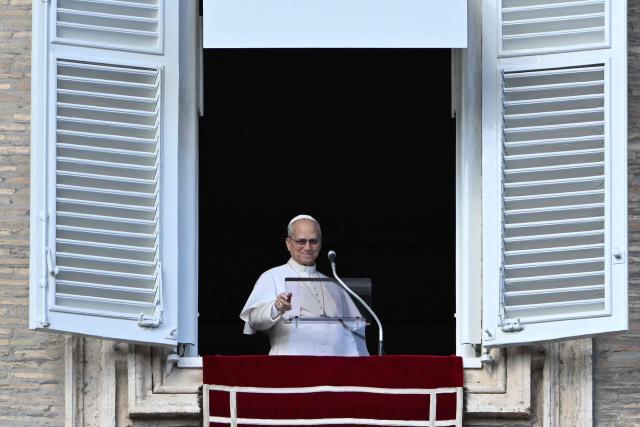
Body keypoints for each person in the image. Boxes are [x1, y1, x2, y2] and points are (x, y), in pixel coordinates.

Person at [240, 214, 369, 356]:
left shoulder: (333, 284)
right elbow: (254, 321)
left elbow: (352, 333)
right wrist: (276, 307)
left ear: (320, 243)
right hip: (291, 366)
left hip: (333, 369)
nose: (308, 247)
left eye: (313, 241)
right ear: (289, 243)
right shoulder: (272, 276)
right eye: (301, 241)